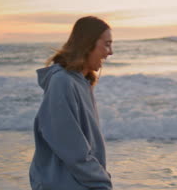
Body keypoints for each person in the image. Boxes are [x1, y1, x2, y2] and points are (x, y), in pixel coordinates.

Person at [29, 16, 114, 190]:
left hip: (82, 182)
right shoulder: (62, 82)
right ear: (88, 43)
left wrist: (100, 177)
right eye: (106, 44)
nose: (110, 52)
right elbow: (71, 148)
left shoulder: (83, 83)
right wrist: (102, 182)